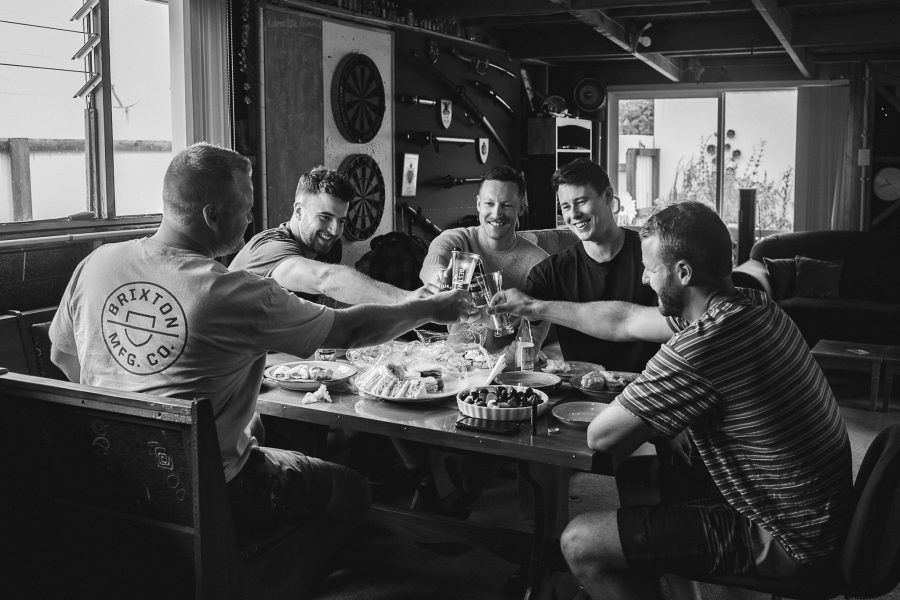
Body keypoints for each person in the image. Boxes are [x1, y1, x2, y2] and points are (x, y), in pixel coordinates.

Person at [49, 142, 477, 580]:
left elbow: (64, 358)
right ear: (212, 215)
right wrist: (427, 307)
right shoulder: (233, 292)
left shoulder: (96, 263)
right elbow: (349, 328)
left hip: (109, 479)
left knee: (266, 430)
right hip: (216, 489)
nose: (252, 218)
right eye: (246, 208)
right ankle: (273, 580)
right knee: (352, 490)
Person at [495, 202, 853, 599]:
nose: (645, 279)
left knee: (581, 541)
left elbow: (602, 437)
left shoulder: (699, 346)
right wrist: (532, 307)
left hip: (785, 535)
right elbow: (625, 320)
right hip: (820, 514)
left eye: (650, 267)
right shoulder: (751, 306)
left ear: (683, 272)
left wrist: (650, 389)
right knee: (645, 474)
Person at [523, 157, 658, 372]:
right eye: (565, 206)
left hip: (648, 390)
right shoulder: (551, 272)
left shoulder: (653, 256)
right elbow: (515, 320)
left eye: (581, 201)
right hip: (578, 396)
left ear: (608, 197)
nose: (574, 214)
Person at [229, 165, 428, 305]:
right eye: (325, 217)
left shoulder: (328, 247)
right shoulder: (271, 247)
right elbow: (325, 279)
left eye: (341, 221)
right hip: (235, 354)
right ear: (298, 211)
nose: (334, 231)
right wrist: (406, 298)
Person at [419, 165, 549, 358]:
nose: (496, 214)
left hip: (507, 371)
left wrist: (494, 369)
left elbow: (531, 341)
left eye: (506, 205)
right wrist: (439, 279)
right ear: (479, 204)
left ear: (520, 208)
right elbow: (434, 261)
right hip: (455, 363)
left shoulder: (540, 263)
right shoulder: (457, 240)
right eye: (489, 203)